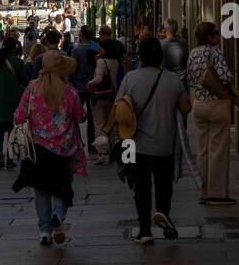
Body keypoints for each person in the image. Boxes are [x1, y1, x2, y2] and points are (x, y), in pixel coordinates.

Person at [113, 34, 190, 244]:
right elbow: (185, 108)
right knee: (164, 184)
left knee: (142, 188)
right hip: (165, 144)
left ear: (142, 57)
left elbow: (118, 109)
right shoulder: (173, 79)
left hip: (136, 145)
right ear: (160, 56)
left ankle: (145, 230)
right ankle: (162, 211)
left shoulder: (130, 78)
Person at [12, 50, 87, 247]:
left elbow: (19, 116)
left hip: (38, 148)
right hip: (64, 149)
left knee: (41, 191)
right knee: (62, 186)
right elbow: (81, 116)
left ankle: (44, 231)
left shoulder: (31, 89)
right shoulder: (70, 92)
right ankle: (58, 215)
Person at [187, 20, 236, 206]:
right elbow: (225, 76)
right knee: (218, 150)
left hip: (198, 105)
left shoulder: (192, 53)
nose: (218, 35)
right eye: (215, 33)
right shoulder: (215, 53)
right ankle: (217, 194)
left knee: (202, 150)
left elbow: (191, 79)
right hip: (216, 104)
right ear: (209, 37)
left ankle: (204, 191)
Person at [0, 32, 28, 169]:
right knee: (12, 130)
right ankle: (10, 158)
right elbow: (24, 81)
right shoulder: (19, 62)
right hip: (14, 101)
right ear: (14, 48)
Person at [86, 32, 121, 163]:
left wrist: (89, 83)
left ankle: (101, 152)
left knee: (100, 123)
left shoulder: (101, 61)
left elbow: (98, 79)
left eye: (100, 48)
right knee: (110, 123)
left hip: (100, 96)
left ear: (105, 49)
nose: (99, 50)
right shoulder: (115, 61)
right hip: (112, 94)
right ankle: (111, 149)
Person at [70, 24, 99, 148]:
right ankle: (92, 144)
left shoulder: (76, 50)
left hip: (79, 86)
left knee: (74, 116)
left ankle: (76, 141)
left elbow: (72, 68)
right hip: (93, 86)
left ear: (81, 35)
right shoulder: (96, 48)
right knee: (92, 118)